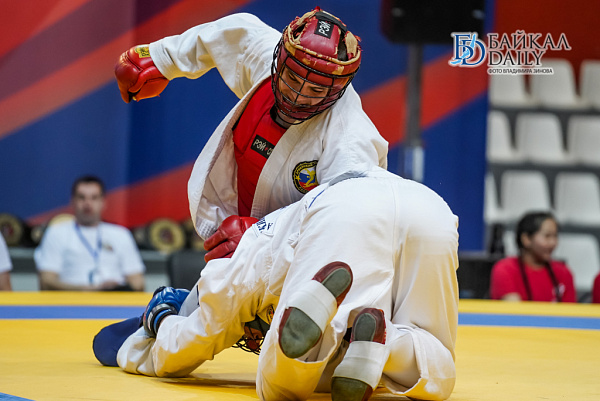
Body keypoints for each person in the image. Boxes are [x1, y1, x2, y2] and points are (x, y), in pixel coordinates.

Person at [93, 167, 460, 401]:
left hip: (342, 214)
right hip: (430, 207)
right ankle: (383, 343)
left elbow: (186, 346)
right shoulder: (278, 224)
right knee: (435, 359)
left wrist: (160, 323)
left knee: (277, 383)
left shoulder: (239, 263)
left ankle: (314, 325)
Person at [114, 7, 388, 262]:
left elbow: (345, 227)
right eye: (292, 79)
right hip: (236, 245)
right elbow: (235, 32)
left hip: (297, 263)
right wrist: (162, 58)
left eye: (315, 90)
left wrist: (266, 234)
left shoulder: (351, 143)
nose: (298, 95)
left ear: (337, 89)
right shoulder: (267, 57)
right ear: (280, 59)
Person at [34, 175, 145, 291]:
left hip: (114, 299)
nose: (87, 203)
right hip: (72, 300)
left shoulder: (121, 234)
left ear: (103, 202)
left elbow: (138, 283)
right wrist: (88, 290)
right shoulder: (56, 233)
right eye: (82, 198)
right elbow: (46, 281)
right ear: (72, 201)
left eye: (94, 198)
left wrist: (116, 288)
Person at [489, 211, 576, 302]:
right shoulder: (506, 269)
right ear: (526, 239)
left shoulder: (563, 272)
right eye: (547, 236)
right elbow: (513, 309)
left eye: (555, 236)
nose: (553, 243)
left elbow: (569, 310)